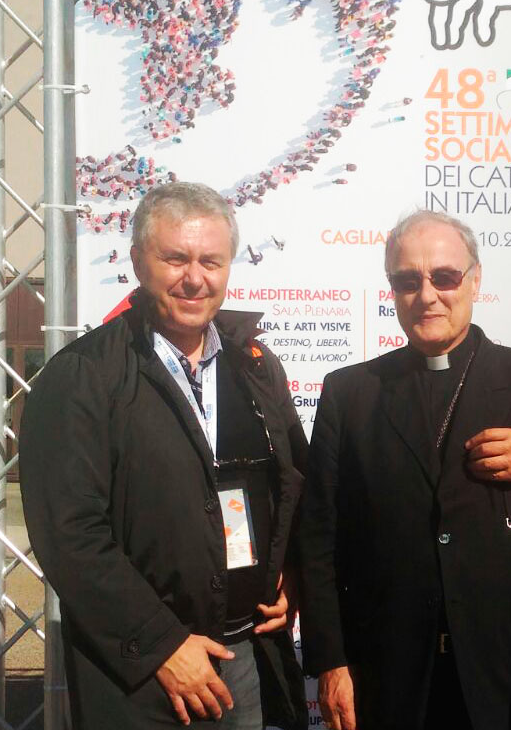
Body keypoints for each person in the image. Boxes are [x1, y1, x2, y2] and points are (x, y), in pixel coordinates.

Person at [297, 210, 511, 730]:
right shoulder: (350, 393)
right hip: (388, 674)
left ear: (474, 280)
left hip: (509, 669)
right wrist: (331, 662)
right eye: (408, 281)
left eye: (444, 277)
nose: (427, 296)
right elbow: (318, 540)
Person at [20, 182, 307, 729]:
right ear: (137, 262)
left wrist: (291, 572)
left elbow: (291, 485)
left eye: (210, 261)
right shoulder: (83, 375)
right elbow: (70, 532)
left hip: (245, 656)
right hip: (146, 678)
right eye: (175, 259)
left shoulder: (255, 367)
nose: (194, 278)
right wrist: (161, 646)